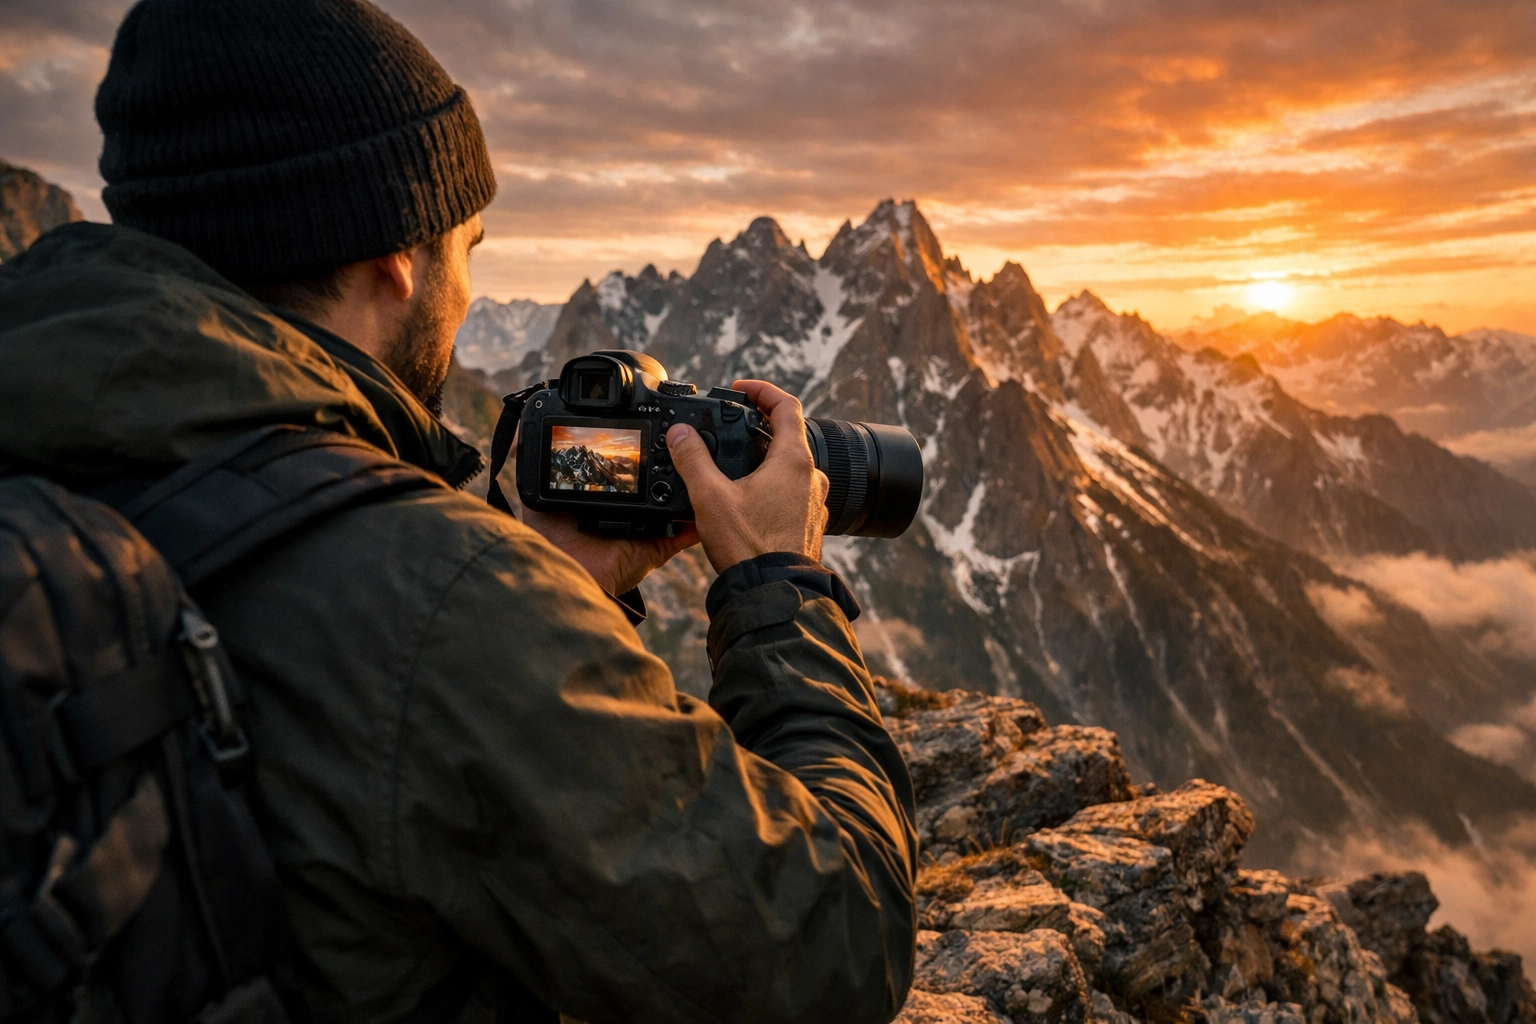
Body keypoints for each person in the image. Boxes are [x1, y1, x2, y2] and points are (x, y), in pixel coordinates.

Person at [0, 0, 918, 1021]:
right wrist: (776, 588)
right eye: (467, 243)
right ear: (398, 254)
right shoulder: (437, 598)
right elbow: (836, 942)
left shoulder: (37, 411)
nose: (469, 290)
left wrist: (551, 594)